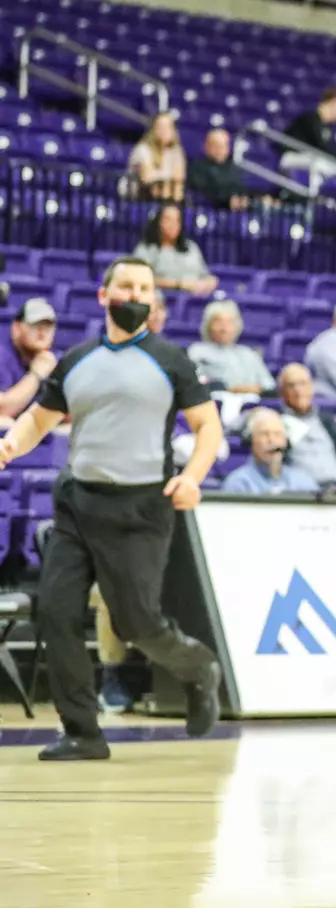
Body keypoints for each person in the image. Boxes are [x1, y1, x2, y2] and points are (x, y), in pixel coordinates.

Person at [0, 257, 224, 759]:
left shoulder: (171, 360)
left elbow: (207, 427)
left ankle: (197, 667)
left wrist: (192, 478)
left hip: (141, 510)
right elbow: (39, 419)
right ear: (105, 296)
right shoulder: (77, 359)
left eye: (145, 287)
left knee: (136, 624)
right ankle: (82, 731)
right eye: (126, 285)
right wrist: (10, 444)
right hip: (77, 505)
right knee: (56, 612)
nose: (136, 293)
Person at [221, 408, 321, 495]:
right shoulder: (238, 483)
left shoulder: (303, 481)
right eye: (264, 434)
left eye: (277, 434)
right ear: (251, 442)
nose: (271, 440)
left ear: (286, 442)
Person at [187, 300, 274, 397]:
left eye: (230, 323)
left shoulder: (248, 354)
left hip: (253, 404)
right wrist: (228, 389)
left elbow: (269, 385)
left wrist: (256, 389)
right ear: (208, 326)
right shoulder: (197, 352)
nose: (224, 328)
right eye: (218, 322)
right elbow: (196, 382)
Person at [133, 203, 218, 295]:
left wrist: (210, 282)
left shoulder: (191, 247)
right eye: (168, 219)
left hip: (196, 298)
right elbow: (139, 278)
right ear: (158, 222)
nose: (173, 224)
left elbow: (205, 274)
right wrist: (178, 284)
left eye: (177, 220)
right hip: (164, 299)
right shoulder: (147, 248)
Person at [1, 298, 59, 421]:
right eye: (35, 325)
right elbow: (2, 410)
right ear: (16, 329)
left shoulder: (53, 360)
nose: (42, 332)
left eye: (48, 327)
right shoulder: (3, 356)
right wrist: (36, 375)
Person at [129, 112, 187, 202]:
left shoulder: (176, 151)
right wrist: (166, 183)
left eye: (169, 127)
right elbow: (147, 179)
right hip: (140, 197)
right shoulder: (143, 149)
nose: (165, 131)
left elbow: (179, 180)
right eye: (161, 127)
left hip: (167, 197)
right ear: (153, 129)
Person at [186, 129, 250, 209]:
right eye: (216, 146)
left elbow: (242, 189)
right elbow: (204, 192)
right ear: (207, 146)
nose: (219, 150)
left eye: (223, 146)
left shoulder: (235, 169)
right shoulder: (196, 168)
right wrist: (227, 200)